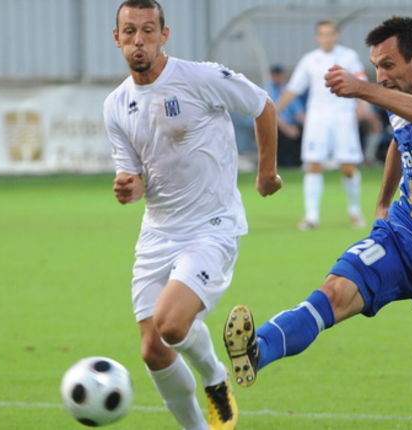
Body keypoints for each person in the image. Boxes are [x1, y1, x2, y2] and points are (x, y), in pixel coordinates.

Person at [223, 16, 412, 430]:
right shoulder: (399, 100)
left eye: (388, 65)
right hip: (402, 237)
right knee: (335, 291)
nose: (381, 75)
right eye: (376, 66)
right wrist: (382, 203)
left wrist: (364, 89)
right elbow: (400, 141)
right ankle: (259, 348)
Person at [103, 1, 282, 429]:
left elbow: (262, 105)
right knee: (152, 350)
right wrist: (129, 187)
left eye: (148, 30)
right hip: (157, 232)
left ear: (164, 35)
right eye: (130, 31)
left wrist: (266, 172)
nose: (138, 40)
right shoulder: (116, 105)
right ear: (117, 38)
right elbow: (136, 176)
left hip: (211, 226)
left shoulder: (200, 78)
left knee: (170, 324)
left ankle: (215, 376)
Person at [275, 20, 369, 231]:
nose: (327, 38)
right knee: (313, 164)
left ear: (336, 35)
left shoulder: (349, 56)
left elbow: (362, 81)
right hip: (317, 118)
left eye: (330, 33)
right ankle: (311, 216)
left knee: (347, 167)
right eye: (323, 34)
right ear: (318, 37)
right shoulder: (310, 60)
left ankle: (355, 211)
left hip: (343, 116)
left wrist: (363, 104)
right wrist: (274, 110)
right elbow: (294, 88)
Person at [266, 64, 305, 167]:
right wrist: (287, 128)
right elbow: (271, 114)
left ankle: (299, 162)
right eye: (275, 75)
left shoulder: (287, 90)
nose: (278, 77)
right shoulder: (266, 90)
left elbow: (298, 112)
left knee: (301, 131)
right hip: (273, 124)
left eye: (279, 75)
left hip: (290, 124)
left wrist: (309, 126)